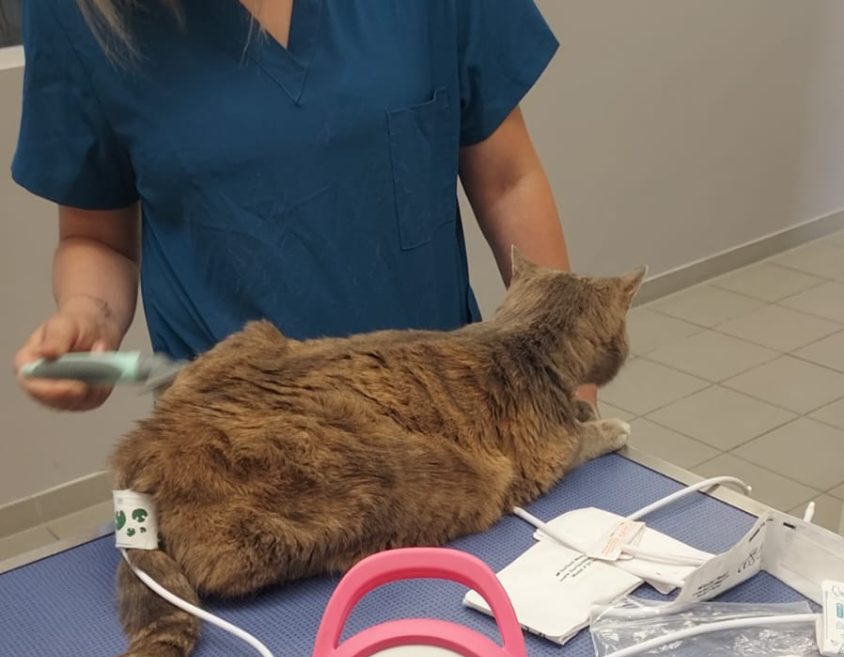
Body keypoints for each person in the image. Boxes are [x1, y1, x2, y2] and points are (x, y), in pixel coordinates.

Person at [12, 0, 584, 412]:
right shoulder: (79, 15)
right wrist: (88, 316)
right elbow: (97, 238)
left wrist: (572, 378)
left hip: (448, 424)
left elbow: (507, 181)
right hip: (239, 460)